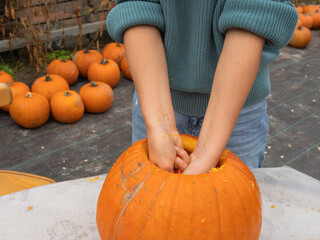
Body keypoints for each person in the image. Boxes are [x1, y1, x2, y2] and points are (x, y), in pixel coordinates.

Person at [106, 0, 298, 175]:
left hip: (237, 112)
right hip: (155, 101)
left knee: (232, 208)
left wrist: (207, 151)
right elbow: (138, 6)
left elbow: (254, 12)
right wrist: (159, 126)